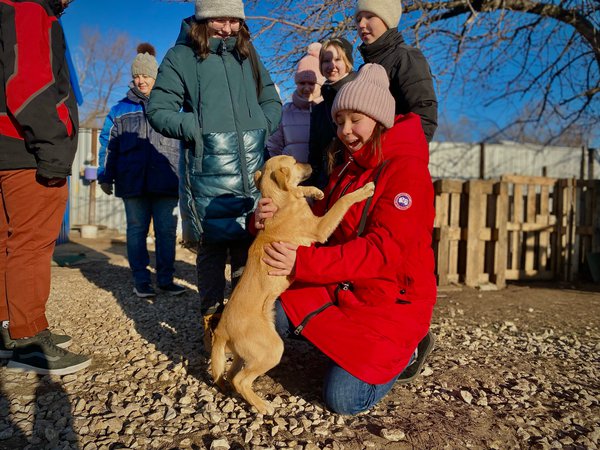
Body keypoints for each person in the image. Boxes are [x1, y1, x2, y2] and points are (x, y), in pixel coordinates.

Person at [255, 64, 436, 415]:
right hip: (343, 286)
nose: (345, 131)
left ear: (379, 119)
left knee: (343, 399)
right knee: (270, 309)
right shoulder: (348, 167)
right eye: (340, 122)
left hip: (389, 300)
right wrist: (267, 220)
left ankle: (410, 347)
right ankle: (341, 346)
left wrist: (302, 263)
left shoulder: (407, 169)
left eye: (356, 120)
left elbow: (383, 250)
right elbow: (319, 226)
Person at [146, 0, 282, 349]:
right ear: (203, 19)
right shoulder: (182, 57)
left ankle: (241, 328)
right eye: (219, 19)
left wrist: (263, 127)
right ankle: (212, 322)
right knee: (211, 251)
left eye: (234, 20)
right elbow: (159, 110)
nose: (227, 28)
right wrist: (197, 127)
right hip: (207, 172)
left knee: (246, 248)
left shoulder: (247, 54)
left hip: (251, 170)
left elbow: (270, 97)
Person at [0, 0, 91, 374]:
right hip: (26, 147)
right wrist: (53, 146)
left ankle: (8, 329)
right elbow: (29, 83)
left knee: (8, 241)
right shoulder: (28, 7)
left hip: (7, 146)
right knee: (31, 243)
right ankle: (29, 337)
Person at [97, 43, 186, 299]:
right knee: (136, 230)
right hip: (132, 181)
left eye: (146, 75)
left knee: (166, 232)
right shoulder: (119, 110)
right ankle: (141, 280)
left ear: (156, 76)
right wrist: (105, 175)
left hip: (167, 180)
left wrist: (189, 178)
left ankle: (166, 280)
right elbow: (108, 144)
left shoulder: (171, 106)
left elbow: (184, 142)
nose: (141, 80)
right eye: (137, 75)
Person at [355, 0, 438, 143]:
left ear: (387, 19)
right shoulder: (364, 69)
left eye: (369, 16)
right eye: (358, 19)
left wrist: (402, 157)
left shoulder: (407, 57)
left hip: (395, 158)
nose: (361, 24)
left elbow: (424, 118)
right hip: (368, 159)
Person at [307, 37, 357, 188]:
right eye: (326, 61)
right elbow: (314, 154)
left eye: (338, 59)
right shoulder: (318, 110)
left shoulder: (359, 96)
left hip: (355, 179)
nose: (332, 65)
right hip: (327, 184)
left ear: (347, 62)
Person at [266, 43, 324, 163]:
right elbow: (274, 147)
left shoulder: (327, 111)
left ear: (320, 84)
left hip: (322, 178)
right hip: (291, 177)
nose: (306, 88)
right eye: (302, 83)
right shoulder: (285, 112)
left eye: (311, 83)